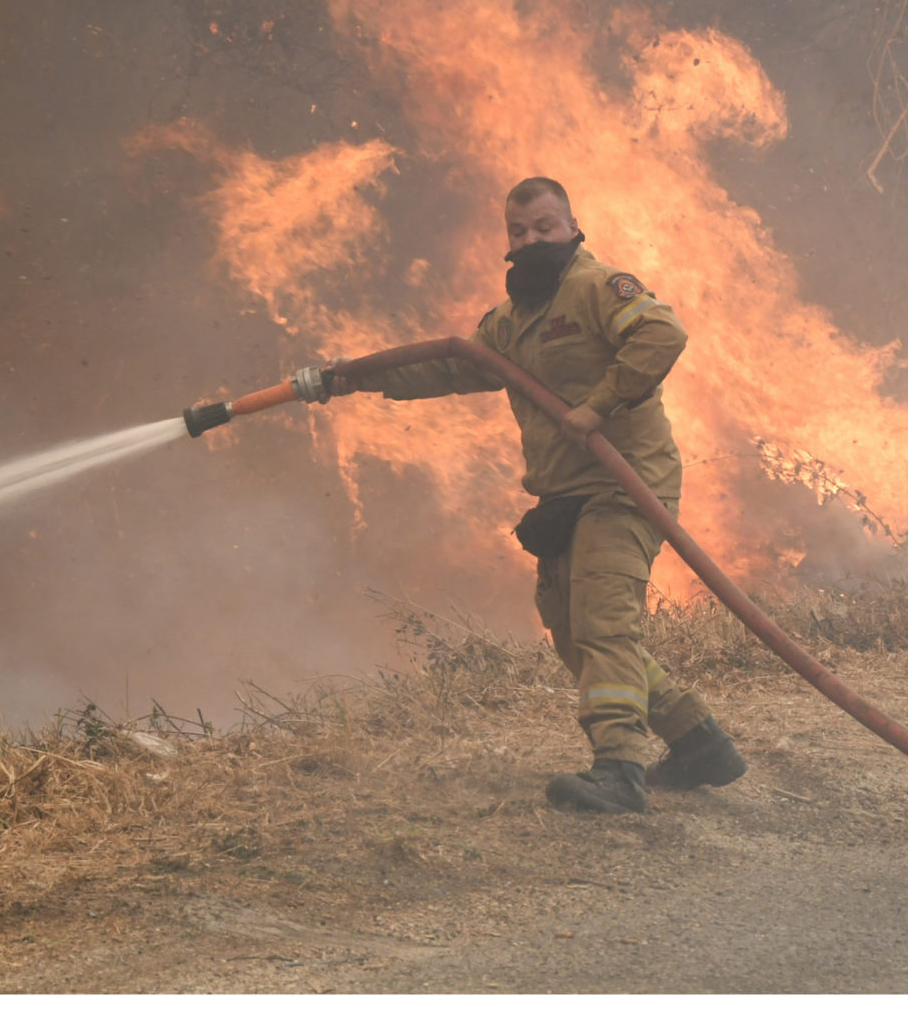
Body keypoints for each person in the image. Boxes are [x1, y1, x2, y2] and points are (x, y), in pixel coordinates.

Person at [307, 176, 746, 814]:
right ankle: (699, 742)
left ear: (572, 227)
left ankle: (619, 769)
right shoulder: (511, 322)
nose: (532, 240)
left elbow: (662, 335)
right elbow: (453, 364)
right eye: (519, 232)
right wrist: (360, 376)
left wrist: (599, 406)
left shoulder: (598, 288)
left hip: (623, 485)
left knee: (603, 626)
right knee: (571, 634)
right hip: (563, 496)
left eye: (545, 227)